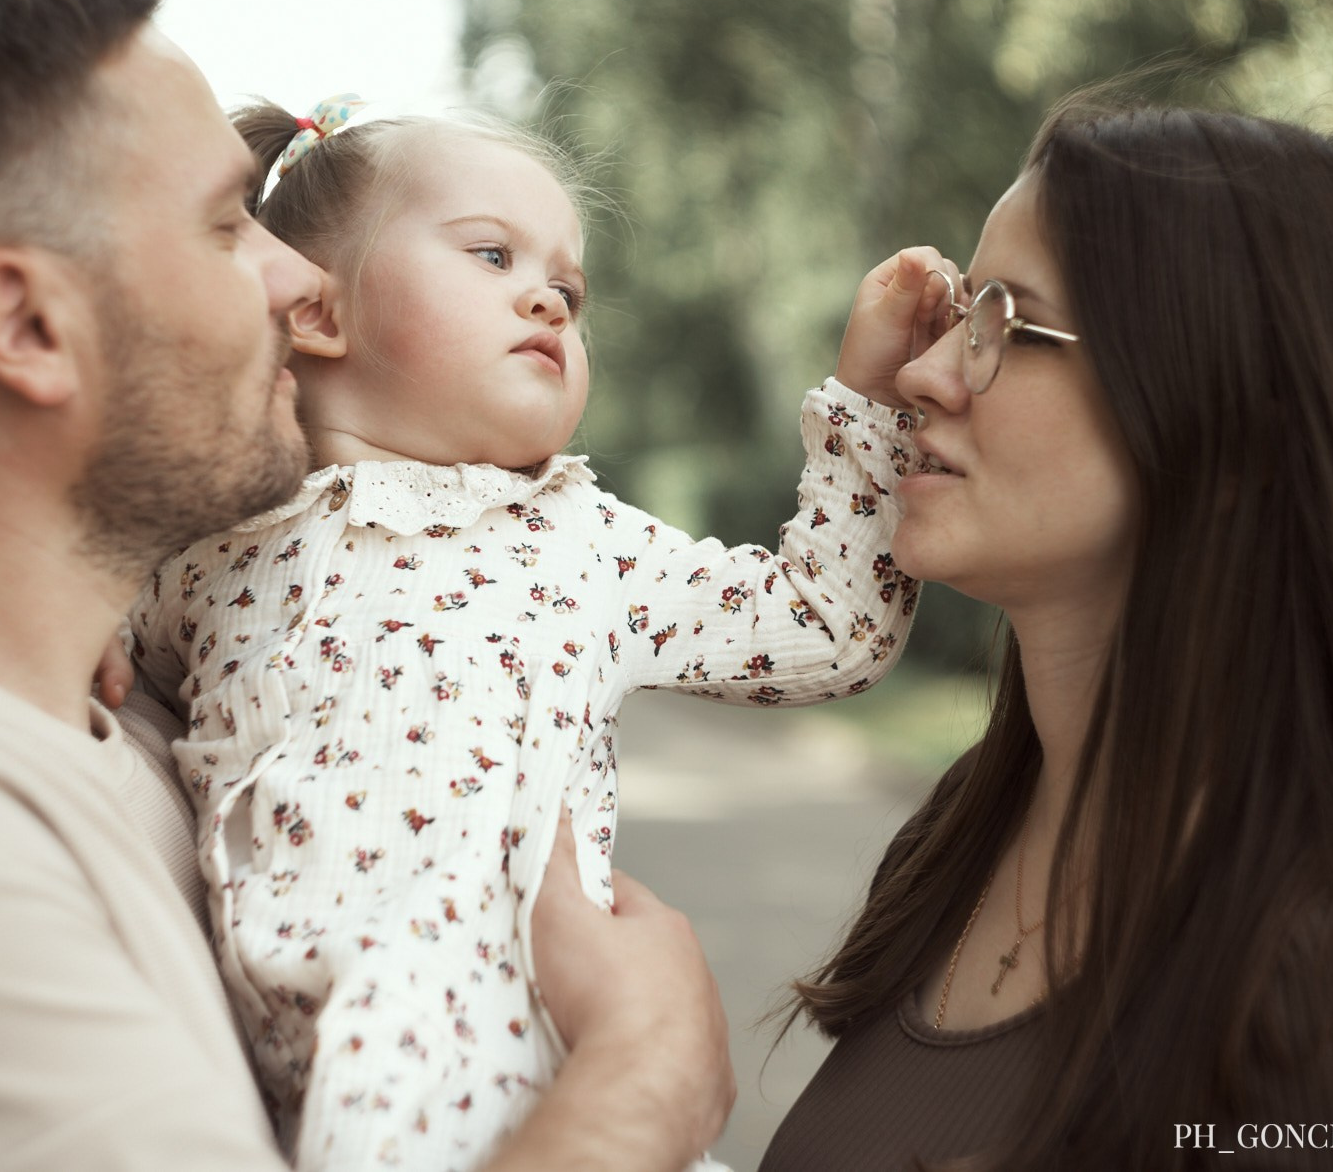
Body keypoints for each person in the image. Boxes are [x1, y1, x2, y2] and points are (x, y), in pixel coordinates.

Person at [0, 0, 733, 1172]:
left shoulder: (94, 712)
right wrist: (643, 1076)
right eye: (220, 226)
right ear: (31, 326)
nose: (298, 274)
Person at [760, 102, 1333, 1170]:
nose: (921, 376)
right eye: (961, 308)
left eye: (1004, 323)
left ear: (1227, 422)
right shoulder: (952, 843)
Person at [119, 93, 933, 1170]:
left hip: (542, 1084)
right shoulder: (210, 540)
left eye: (569, 287)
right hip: (315, 1099)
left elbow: (826, 624)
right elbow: (75, 596)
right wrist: (85, 617)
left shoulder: (583, 541)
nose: (546, 297)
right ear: (316, 312)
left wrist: (869, 399)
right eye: (492, 254)